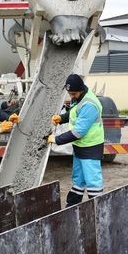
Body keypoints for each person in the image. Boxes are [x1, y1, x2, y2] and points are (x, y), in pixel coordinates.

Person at [48, 74, 105, 207]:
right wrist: (62, 118)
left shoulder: (89, 105)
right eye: (70, 93)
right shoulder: (80, 96)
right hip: (80, 146)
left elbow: (78, 132)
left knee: (93, 181)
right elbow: (75, 113)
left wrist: (56, 139)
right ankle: (72, 206)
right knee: (78, 179)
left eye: (73, 94)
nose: (71, 96)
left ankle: (98, 209)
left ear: (81, 89)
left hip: (90, 147)